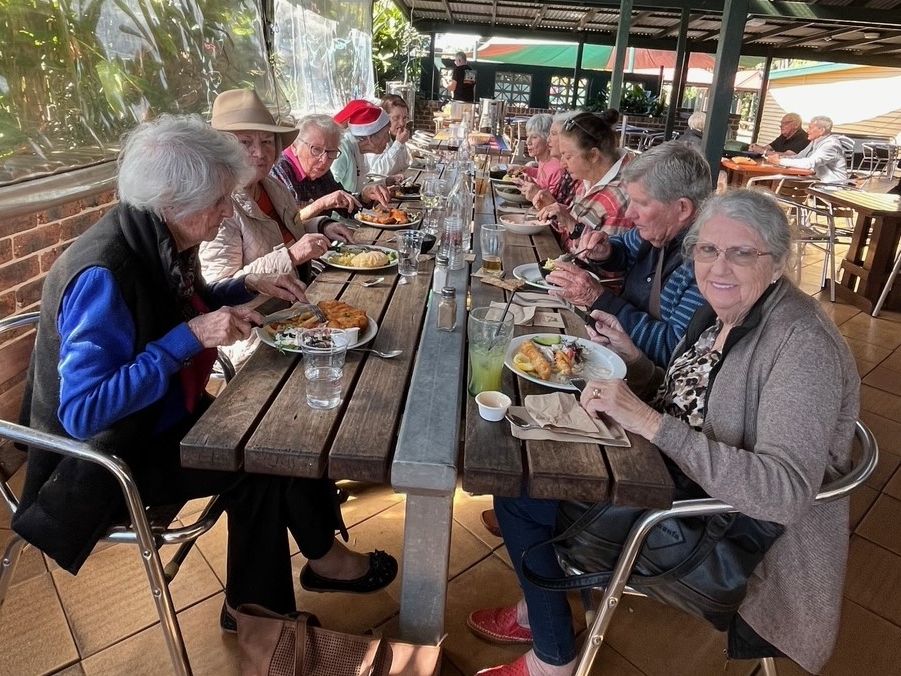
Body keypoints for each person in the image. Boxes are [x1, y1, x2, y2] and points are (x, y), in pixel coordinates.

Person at [11, 114, 397, 633]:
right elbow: (82, 412)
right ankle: (260, 611)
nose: (224, 211)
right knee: (261, 459)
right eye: (217, 201)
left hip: (164, 414)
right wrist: (190, 337)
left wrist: (240, 290)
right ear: (173, 201)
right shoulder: (106, 271)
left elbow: (176, 308)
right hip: (107, 459)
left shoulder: (157, 235)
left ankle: (308, 569)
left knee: (281, 433)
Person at [470, 189, 859, 676]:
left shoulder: (803, 348)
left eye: (742, 252)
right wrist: (635, 362)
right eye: (707, 249)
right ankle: (543, 603)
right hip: (667, 467)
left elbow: (782, 493)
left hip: (713, 527)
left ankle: (553, 655)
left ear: (778, 263)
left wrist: (650, 422)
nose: (719, 267)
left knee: (523, 492)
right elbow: (690, 397)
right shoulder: (722, 310)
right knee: (527, 444)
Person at [199, 89, 355, 368]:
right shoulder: (217, 206)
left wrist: (323, 224)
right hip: (257, 335)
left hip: (299, 314)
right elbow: (219, 290)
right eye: (245, 142)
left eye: (267, 141)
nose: (259, 153)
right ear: (222, 149)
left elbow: (289, 228)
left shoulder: (273, 188)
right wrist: (291, 256)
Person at [546, 142, 709, 367]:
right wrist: (607, 251)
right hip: (609, 353)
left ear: (682, 209)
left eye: (641, 203)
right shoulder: (656, 231)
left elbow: (673, 350)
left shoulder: (708, 264)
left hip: (643, 384)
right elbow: (624, 246)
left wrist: (598, 299)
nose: (630, 213)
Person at [535, 110, 634, 252]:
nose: (562, 164)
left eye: (568, 157)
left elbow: (605, 264)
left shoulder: (620, 196)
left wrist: (571, 224)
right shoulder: (588, 178)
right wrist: (557, 211)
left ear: (593, 155)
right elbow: (574, 230)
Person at [271, 113, 388, 219]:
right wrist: (321, 204)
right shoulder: (278, 170)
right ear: (295, 147)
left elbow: (344, 205)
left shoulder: (320, 169)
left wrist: (365, 195)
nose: (324, 160)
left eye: (332, 152)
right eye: (316, 149)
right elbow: (289, 222)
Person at [331, 99, 393, 193]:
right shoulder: (342, 150)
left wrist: (384, 182)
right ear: (369, 137)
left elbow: (359, 188)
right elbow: (332, 193)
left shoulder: (357, 150)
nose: (388, 139)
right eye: (385, 134)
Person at [522, 111, 581, 211]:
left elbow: (557, 210)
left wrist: (537, 193)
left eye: (553, 134)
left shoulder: (563, 171)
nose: (548, 140)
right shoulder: (567, 173)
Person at [766, 115, 848, 183]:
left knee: (779, 181)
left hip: (831, 186)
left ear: (821, 130)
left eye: (810, 128)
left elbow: (810, 164)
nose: (807, 130)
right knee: (778, 181)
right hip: (816, 181)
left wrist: (780, 161)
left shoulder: (831, 145)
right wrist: (780, 158)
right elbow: (799, 157)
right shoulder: (815, 141)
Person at [515, 114, 563, 198]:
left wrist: (535, 190)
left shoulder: (557, 169)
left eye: (534, 137)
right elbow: (543, 175)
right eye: (527, 136)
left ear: (548, 139)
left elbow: (552, 201)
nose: (528, 142)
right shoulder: (544, 160)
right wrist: (526, 170)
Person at [365, 94, 412, 176]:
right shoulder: (374, 137)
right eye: (396, 118)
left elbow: (402, 166)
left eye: (404, 118)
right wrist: (398, 144)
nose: (401, 123)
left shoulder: (397, 136)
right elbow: (378, 172)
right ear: (384, 118)